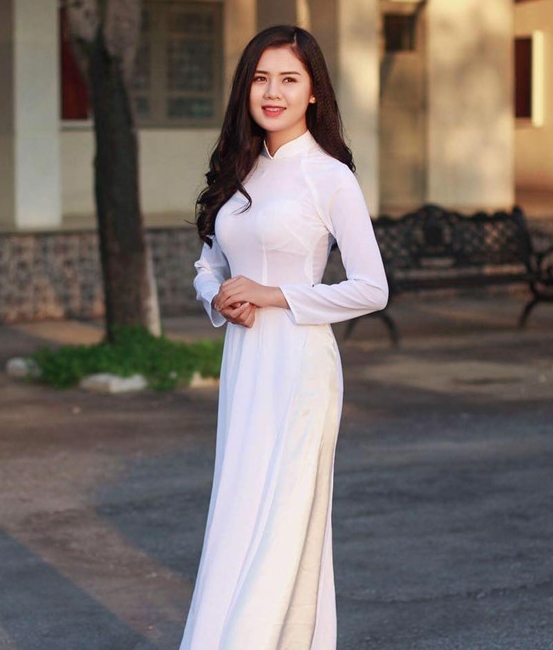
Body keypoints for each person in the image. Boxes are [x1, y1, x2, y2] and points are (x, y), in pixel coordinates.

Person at [179, 24, 388, 650]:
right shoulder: (241, 170)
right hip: (246, 361)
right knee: (239, 508)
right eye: (261, 78)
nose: (273, 92)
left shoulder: (330, 177)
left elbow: (372, 288)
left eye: (289, 79)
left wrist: (273, 295)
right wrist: (219, 297)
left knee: (283, 520)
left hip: (300, 367)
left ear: (314, 91)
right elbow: (209, 264)